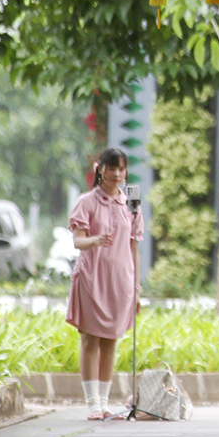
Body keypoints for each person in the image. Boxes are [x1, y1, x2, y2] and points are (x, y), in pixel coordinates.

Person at [65, 148, 143, 420]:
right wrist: (95, 240)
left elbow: (135, 248)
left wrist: (136, 287)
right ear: (100, 169)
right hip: (92, 277)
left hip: (120, 280)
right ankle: (92, 404)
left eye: (122, 169)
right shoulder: (87, 202)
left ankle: (106, 403)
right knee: (90, 339)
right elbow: (78, 240)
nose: (117, 175)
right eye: (112, 168)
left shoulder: (131, 204)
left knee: (111, 340)